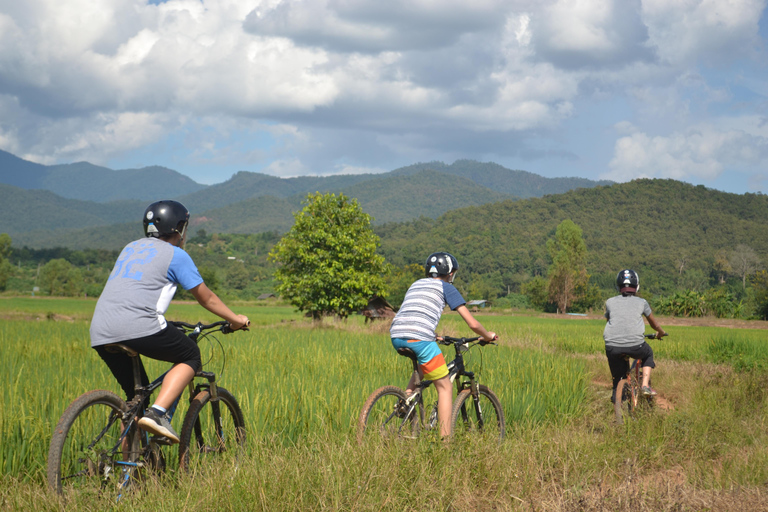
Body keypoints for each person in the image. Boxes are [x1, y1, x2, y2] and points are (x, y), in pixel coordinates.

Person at [90, 200, 249, 443]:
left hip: (101, 329)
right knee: (190, 355)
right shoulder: (176, 255)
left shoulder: (130, 248)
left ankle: (129, 475)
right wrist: (236, 320)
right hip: (139, 325)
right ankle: (158, 414)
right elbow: (207, 298)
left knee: (135, 401)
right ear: (179, 228)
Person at [389, 252, 497, 438]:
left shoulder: (416, 284)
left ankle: (406, 401)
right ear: (449, 273)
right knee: (445, 387)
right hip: (420, 338)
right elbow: (472, 323)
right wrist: (487, 336)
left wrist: (434, 336)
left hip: (396, 335)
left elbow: (414, 313)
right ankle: (445, 444)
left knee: (424, 365)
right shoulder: (446, 287)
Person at [604, 269, 667, 401]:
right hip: (636, 345)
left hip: (612, 345)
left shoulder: (609, 302)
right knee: (648, 354)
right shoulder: (642, 302)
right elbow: (654, 324)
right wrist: (660, 333)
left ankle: (617, 397)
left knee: (618, 377)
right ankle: (644, 386)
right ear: (637, 286)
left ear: (618, 286)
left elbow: (610, 321)